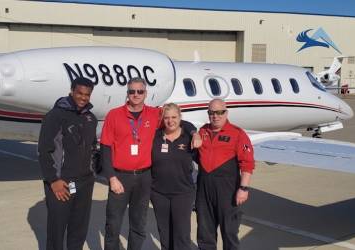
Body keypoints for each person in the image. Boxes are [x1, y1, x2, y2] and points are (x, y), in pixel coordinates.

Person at [100, 77, 200, 250]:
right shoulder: (114, 115)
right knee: (113, 224)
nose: (136, 95)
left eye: (140, 91)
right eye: (132, 91)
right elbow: (105, 148)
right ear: (127, 93)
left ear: (145, 93)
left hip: (145, 177)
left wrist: (194, 132)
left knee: (139, 224)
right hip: (120, 176)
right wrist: (111, 177)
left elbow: (176, 120)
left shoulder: (155, 114)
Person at [38, 77, 98, 250]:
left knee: (78, 231)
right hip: (62, 183)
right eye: (79, 93)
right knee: (57, 232)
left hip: (85, 183)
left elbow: (92, 147)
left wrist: (94, 170)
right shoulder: (55, 116)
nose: (83, 98)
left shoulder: (90, 118)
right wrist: (53, 180)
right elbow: (44, 150)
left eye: (87, 94)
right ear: (71, 91)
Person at [196, 98, 254, 250]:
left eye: (219, 112)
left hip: (227, 190)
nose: (215, 116)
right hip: (204, 189)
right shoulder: (202, 131)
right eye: (211, 113)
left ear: (226, 112)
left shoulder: (237, 134)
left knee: (229, 232)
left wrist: (244, 188)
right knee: (204, 233)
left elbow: (247, 163)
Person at [151, 103, 197, 250]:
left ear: (180, 118)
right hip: (159, 193)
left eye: (174, 117)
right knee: (164, 232)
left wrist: (194, 133)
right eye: (167, 118)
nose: (170, 121)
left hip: (182, 193)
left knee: (182, 234)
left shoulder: (189, 138)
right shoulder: (155, 137)